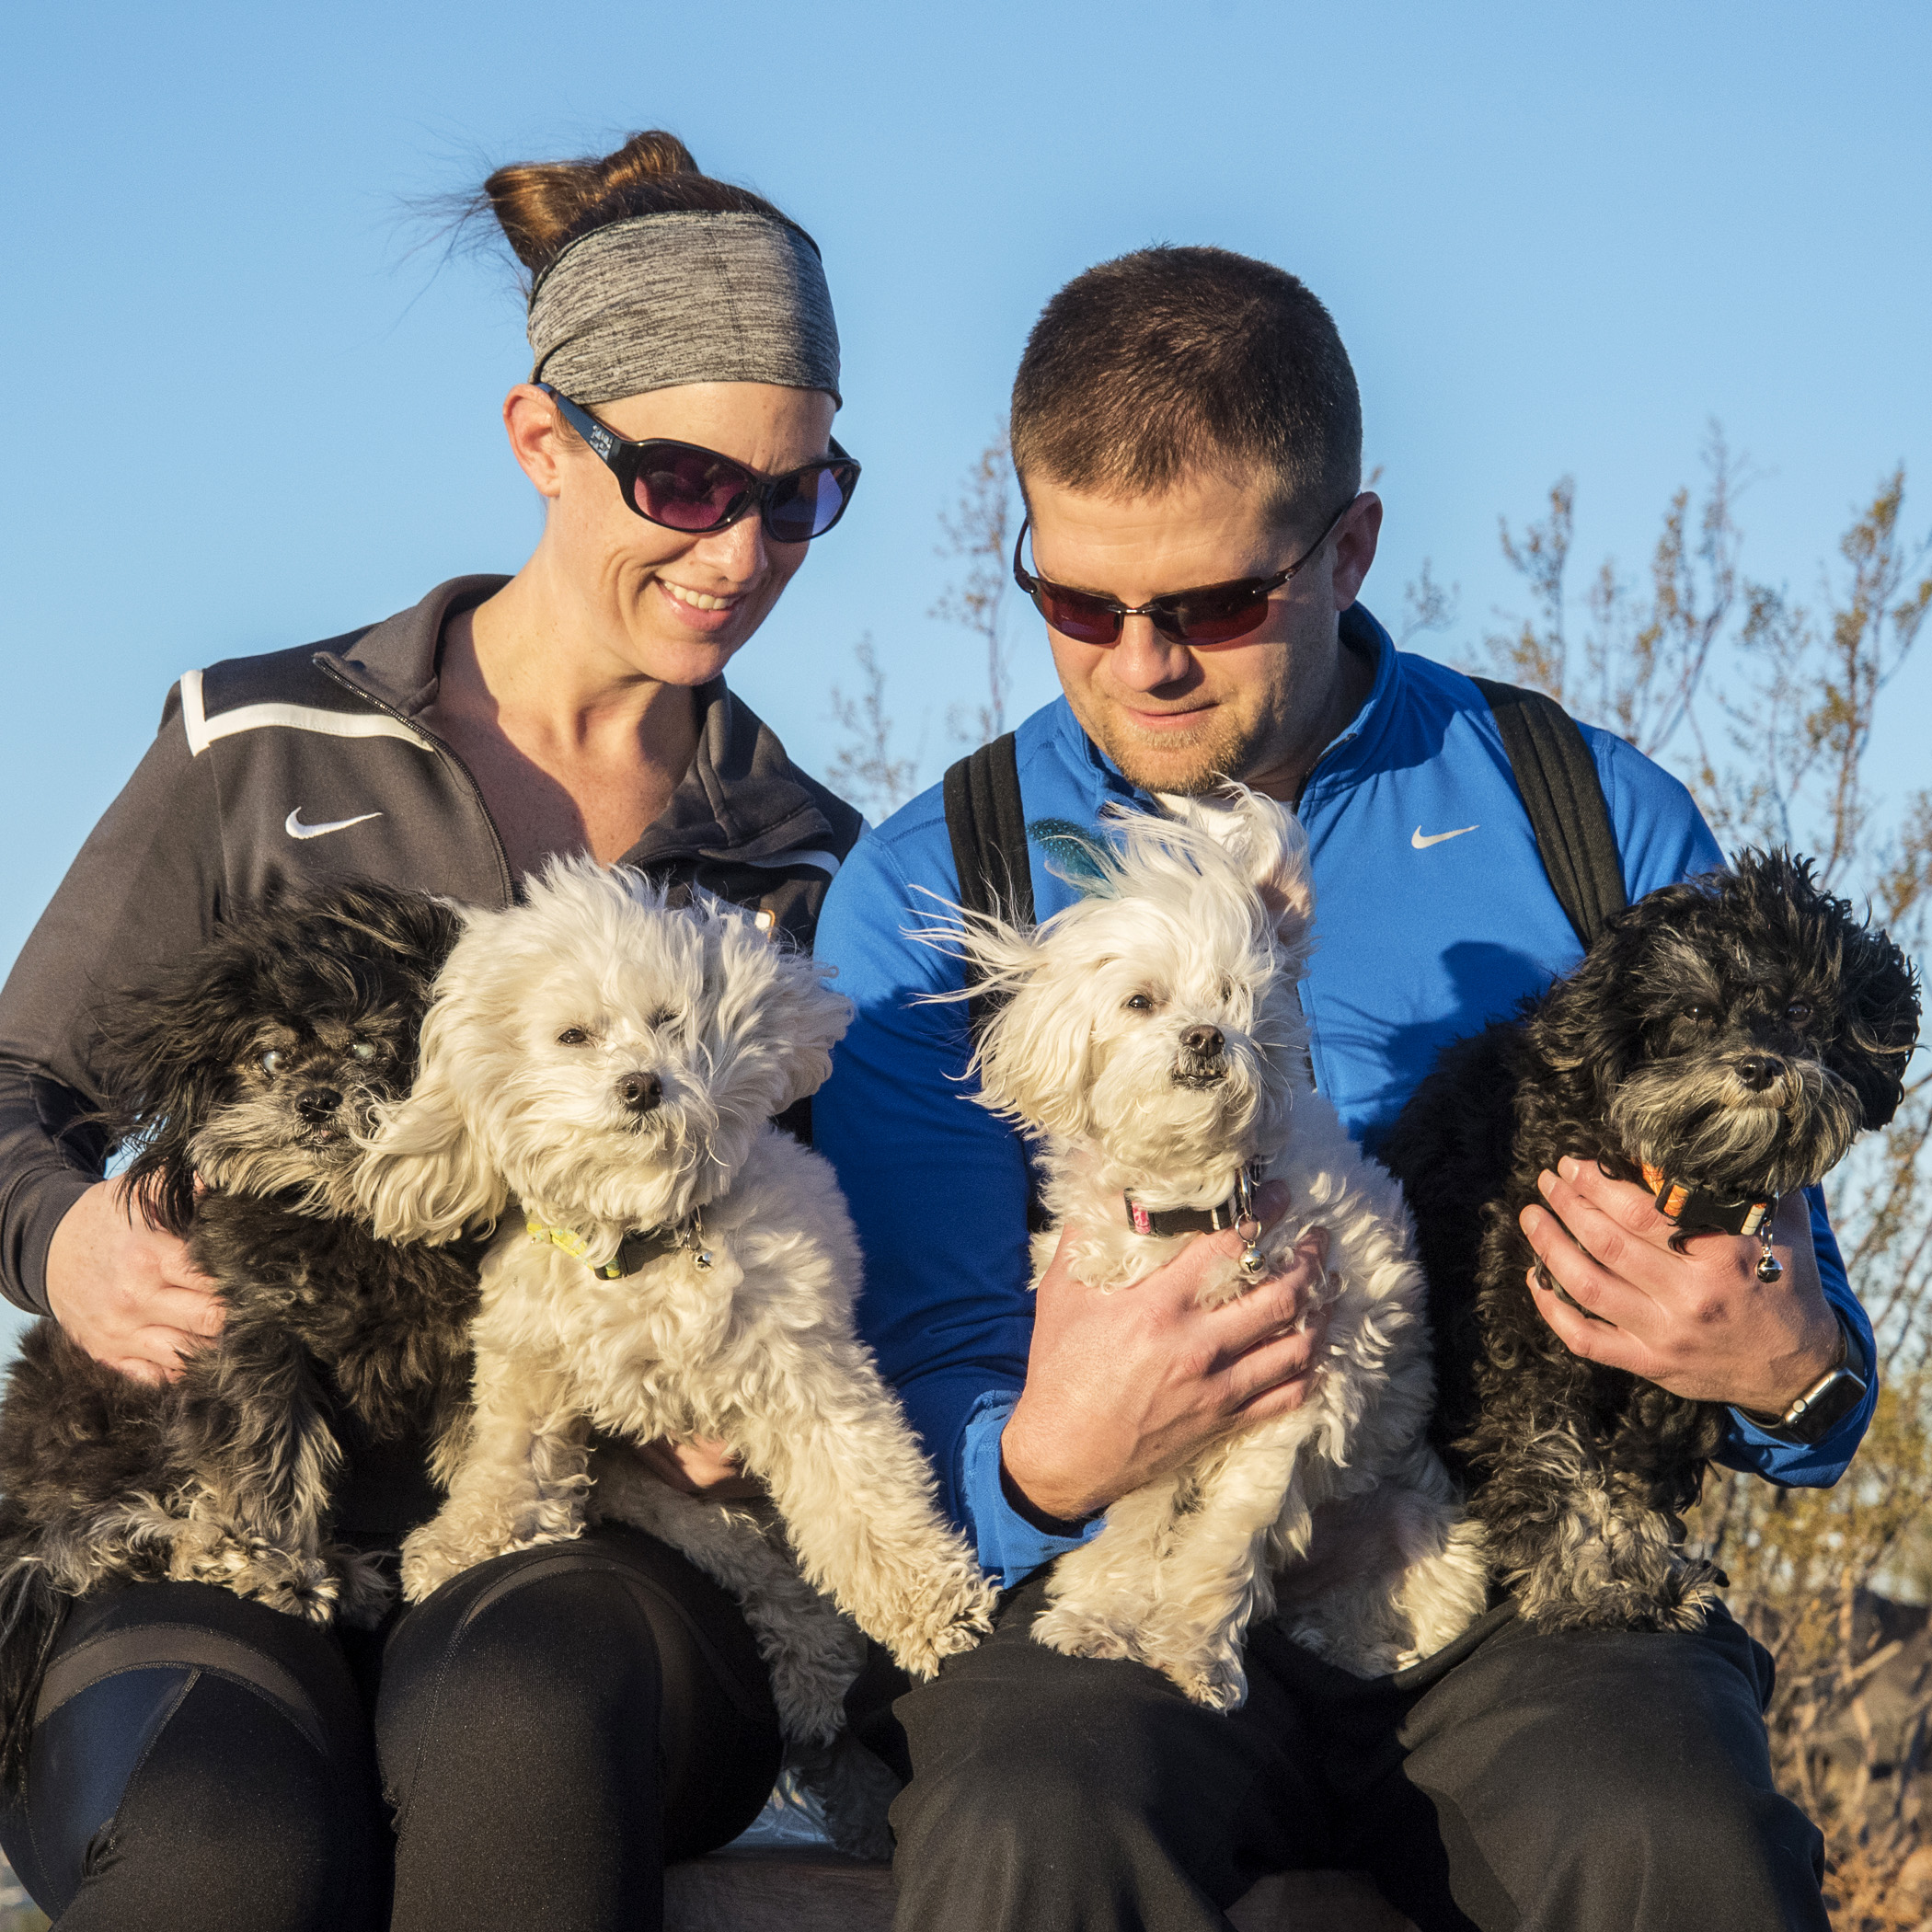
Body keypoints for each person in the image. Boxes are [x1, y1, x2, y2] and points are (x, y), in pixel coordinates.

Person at [812, 246, 1871, 1931]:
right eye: (1081, 603)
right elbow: (902, 1364)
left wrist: (1789, 1372)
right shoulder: (942, 885)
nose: (1142, 661)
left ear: (1350, 546)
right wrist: (1038, 1464)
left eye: (1214, 604)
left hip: (1511, 1581)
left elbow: (1812, 1353)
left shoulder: (1591, 823)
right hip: (1113, 1574)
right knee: (1027, 1819)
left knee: (1670, 1830)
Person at [0, 131, 864, 1931]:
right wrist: (63, 1236)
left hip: (598, 1559)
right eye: (690, 482)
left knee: (516, 1728)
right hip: (237, 1517)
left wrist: (753, 1404)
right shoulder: (259, 745)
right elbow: (22, 1081)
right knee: (207, 1841)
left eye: (800, 494)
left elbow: (843, 1250)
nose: (746, 551)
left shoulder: (806, 860)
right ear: (543, 438)